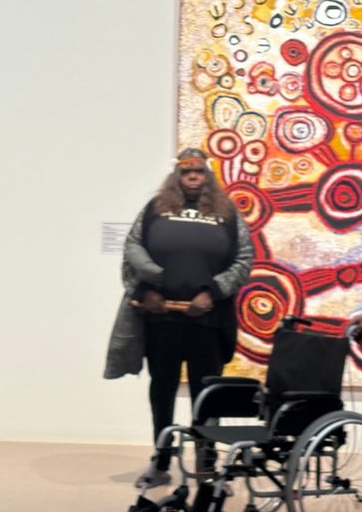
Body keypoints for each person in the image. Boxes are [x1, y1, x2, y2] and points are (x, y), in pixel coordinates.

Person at [103, 147, 253, 488]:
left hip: (208, 322)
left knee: (206, 394)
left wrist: (212, 292)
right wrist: (147, 291)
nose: (193, 177)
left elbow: (244, 259)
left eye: (199, 172)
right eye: (187, 173)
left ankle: (206, 464)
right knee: (163, 390)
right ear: (177, 177)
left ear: (208, 176)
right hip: (163, 321)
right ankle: (160, 461)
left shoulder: (227, 214)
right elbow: (132, 248)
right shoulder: (155, 210)